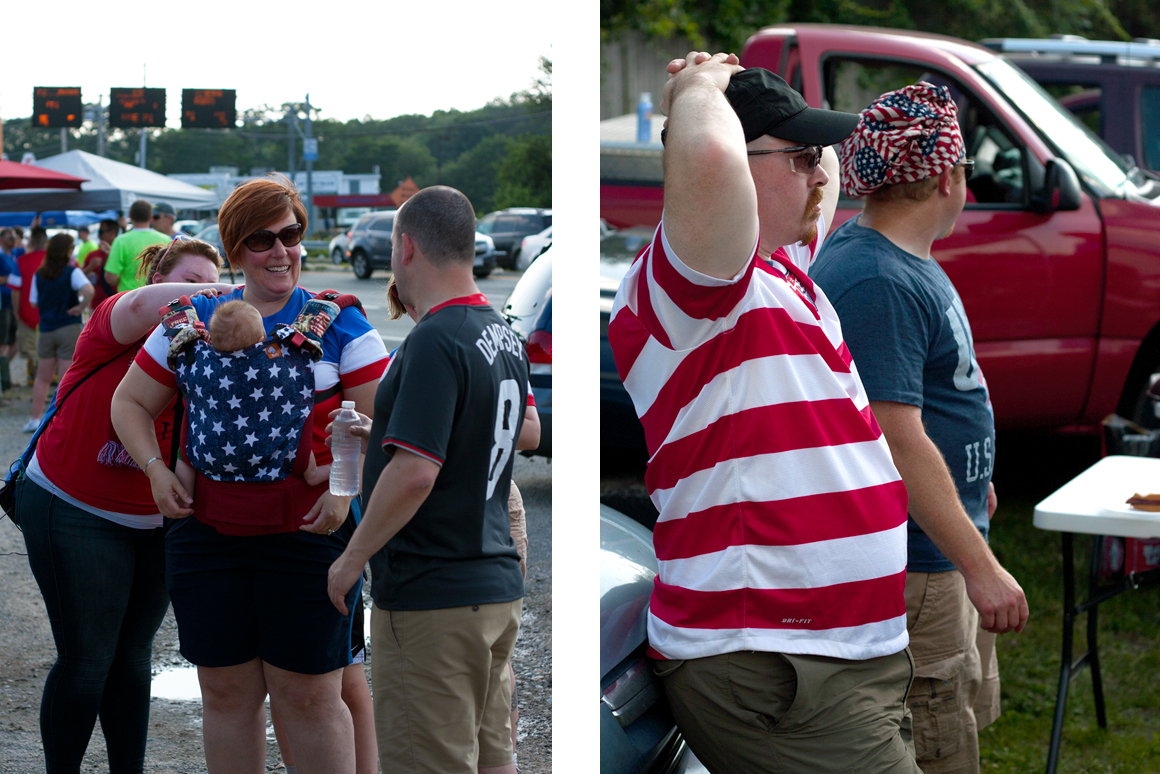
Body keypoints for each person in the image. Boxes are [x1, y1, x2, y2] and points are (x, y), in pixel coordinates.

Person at [608, 54, 919, 774]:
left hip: (823, 655)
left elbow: (820, 175)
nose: (822, 173)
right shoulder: (692, 287)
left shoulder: (780, 267)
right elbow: (713, 158)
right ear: (731, 170)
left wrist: (780, 125)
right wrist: (694, 88)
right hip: (776, 660)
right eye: (801, 156)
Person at [111, 175, 387, 774]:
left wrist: (345, 484)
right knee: (227, 694)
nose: (280, 251)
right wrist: (157, 472)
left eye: (290, 234)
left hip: (310, 535)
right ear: (234, 250)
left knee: (311, 695)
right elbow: (128, 403)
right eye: (262, 240)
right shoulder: (192, 320)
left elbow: (387, 423)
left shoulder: (338, 322)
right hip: (206, 535)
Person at [811, 83, 1030, 774]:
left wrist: (973, 480)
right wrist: (982, 568)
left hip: (945, 537)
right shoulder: (875, 278)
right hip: (921, 564)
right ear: (946, 175)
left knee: (958, 710)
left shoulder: (902, 258)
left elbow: (934, 399)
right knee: (935, 736)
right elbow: (895, 437)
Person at [327, 185, 529, 774]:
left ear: (406, 247)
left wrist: (351, 559)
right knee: (493, 758)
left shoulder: (434, 340)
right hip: (492, 583)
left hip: (433, 593)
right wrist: (386, 432)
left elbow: (416, 474)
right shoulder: (499, 332)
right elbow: (507, 429)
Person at [15, 237, 226, 773]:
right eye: (190, 283)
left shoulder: (219, 353)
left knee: (133, 660)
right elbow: (139, 306)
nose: (204, 297)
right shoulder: (120, 316)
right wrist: (231, 290)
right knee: (88, 660)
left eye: (212, 282)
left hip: (156, 517)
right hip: (72, 502)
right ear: (159, 285)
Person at [24, 234, 94, 432]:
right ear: (68, 251)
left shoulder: (39, 274)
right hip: (68, 327)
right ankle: (62, 418)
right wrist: (80, 307)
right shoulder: (72, 272)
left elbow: (33, 302)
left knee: (42, 377)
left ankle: (35, 418)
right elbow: (88, 290)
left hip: (46, 328)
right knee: (66, 376)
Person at [8, 226, 46, 387]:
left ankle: (36, 381)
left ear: (31, 241)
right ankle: (45, 381)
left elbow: (15, 291)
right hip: (50, 314)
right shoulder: (53, 260)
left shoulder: (22, 261)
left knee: (31, 352)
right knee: (47, 352)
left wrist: (16, 310)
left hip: (27, 313)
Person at [104, 199, 168, 293]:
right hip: (157, 296)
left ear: (130, 216)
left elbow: (111, 277)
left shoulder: (121, 241)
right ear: (151, 218)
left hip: (128, 298)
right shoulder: (166, 240)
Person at [81, 219, 123, 310]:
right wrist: (90, 267)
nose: (98, 235)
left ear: (112, 233)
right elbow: (80, 276)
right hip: (97, 305)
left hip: (117, 304)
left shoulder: (122, 253)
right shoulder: (93, 255)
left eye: (101, 232)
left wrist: (112, 254)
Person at [0, 228, 18, 391]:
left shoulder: (12, 254)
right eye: (10, 237)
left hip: (11, 302)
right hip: (3, 303)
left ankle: (5, 377)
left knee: (13, 341)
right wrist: (11, 279)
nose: (14, 240)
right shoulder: (1, 256)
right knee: (3, 342)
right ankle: (4, 380)